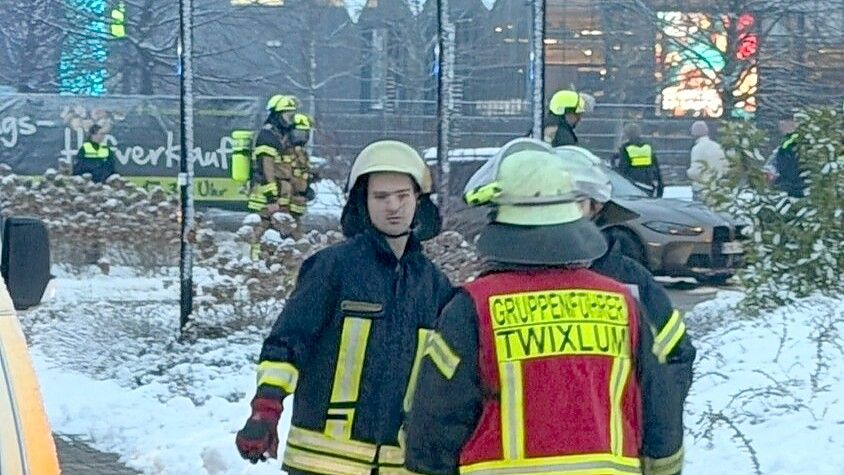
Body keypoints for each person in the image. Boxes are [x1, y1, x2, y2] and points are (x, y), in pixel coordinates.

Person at [404, 139, 693, 475]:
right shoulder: (623, 303)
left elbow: (435, 426)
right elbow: (662, 420)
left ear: (500, 221)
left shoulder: (473, 308)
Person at [235, 140, 453, 474]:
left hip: (397, 466)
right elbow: (288, 345)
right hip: (319, 462)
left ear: (419, 201)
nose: (393, 206)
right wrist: (265, 411)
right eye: (380, 197)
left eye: (403, 195)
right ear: (362, 203)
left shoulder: (434, 284)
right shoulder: (331, 269)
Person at [246, 95, 302, 258]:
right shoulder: (268, 136)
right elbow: (266, 168)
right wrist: (271, 198)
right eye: (287, 115)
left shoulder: (281, 135)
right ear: (277, 115)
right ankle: (256, 264)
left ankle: (269, 262)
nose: (290, 120)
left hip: (278, 195)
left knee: (277, 234)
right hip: (265, 196)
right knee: (261, 232)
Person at [613, 123, 664, 197]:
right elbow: (656, 166)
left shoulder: (626, 148)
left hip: (633, 182)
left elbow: (623, 168)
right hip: (648, 181)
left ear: (627, 134)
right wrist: (660, 187)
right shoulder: (647, 146)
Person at [686, 120, 728, 201]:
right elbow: (725, 166)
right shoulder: (717, 146)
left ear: (694, 134)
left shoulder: (697, 148)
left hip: (702, 190)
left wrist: (688, 173)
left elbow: (696, 172)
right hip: (718, 188)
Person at [770, 119, 805, 197]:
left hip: (794, 182)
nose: (781, 128)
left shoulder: (790, 141)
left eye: (783, 124)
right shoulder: (789, 140)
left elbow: (784, 162)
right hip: (795, 182)